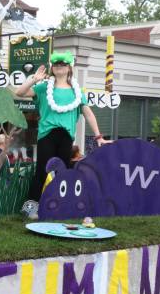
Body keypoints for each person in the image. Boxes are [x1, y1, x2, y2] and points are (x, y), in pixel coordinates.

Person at [15, 51, 109, 219]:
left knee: (63, 172)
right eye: (56, 64)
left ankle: (63, 205)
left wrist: (98, 136)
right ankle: (31, 207)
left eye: (63, 64)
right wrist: (34, 79)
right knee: (42, 171)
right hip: (47, 134)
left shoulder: (77, 91)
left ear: (69, 68)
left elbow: (88, 113)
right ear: (52, 67)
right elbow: (20, 93)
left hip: (66, 136)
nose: (59, 66)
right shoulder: (44, 87)